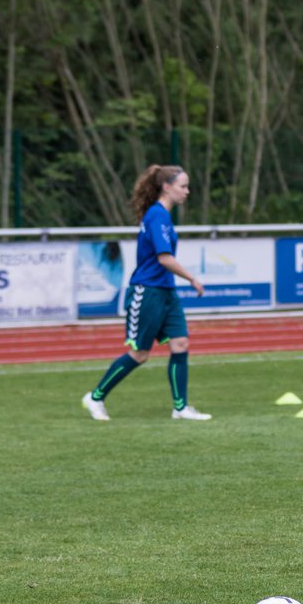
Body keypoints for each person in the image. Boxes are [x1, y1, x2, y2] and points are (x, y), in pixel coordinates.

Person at [81, 164, 212, 422]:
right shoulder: (156, 216)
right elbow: (164, 258)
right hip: (148, 290)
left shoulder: (162, 216)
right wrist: (193, 278)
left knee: (180, 343)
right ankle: (95, 397)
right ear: (166, 187)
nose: (187, 191)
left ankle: (180, 407)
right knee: (140, 354)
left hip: (166, 291)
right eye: (183, 186)